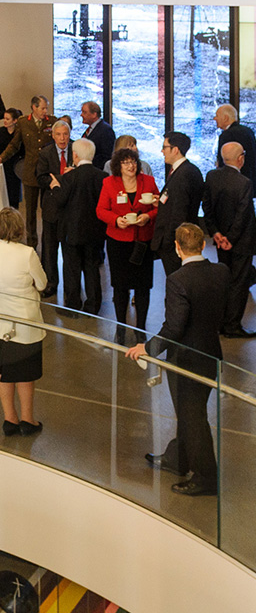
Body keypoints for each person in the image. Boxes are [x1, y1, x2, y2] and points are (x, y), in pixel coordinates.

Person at [126, 223, 228, 497]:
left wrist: (147, 348)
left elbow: (174, 328)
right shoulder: (221, 272)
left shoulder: (178, 280)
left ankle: (207, 477)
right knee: (189, 413)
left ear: (177, 248)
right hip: (211, 355)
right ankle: (178, 458)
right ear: (203, 245)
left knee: (192, 417)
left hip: (186, 362)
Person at [0, 207, 47, 435]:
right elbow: (41, 283)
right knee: (25, 374)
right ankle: (28, 420)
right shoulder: (27, 253)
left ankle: (9, 419)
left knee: (3, 371)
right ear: (20, 228)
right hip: (25, 321)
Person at [96, 147, 159, 344]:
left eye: (133, 162)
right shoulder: (109, 183)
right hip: (118, 242)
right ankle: (121, 326)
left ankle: (141, 328)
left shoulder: (148, 181)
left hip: (142, 241)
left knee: (143, 287)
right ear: (118, 166)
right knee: (120, 286)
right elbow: (100, 210)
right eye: (126, 163)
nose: (130, 166)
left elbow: (159, 206)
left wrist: (148, 216)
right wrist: (116, 220)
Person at [202, 142, 256, 338]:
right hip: (240, 242)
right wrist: (231, 239)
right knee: (239, 283)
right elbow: (243, 216)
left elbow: (207, 207)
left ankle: (221, 322)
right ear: (240, 158)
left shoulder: (212, 176)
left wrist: (216, 233)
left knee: (225, 280)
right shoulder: (245, 183)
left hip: (219, 240)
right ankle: (232, 326)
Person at [50, 138, 107, 313]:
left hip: (72, 232)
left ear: (74, 155)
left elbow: (61, 201)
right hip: (95, 231)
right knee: (91, 267)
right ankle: (93, 305)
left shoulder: (70, 177)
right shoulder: (103, 177)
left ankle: (73, 304)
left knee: (72, 268)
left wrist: (55, 187)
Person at [0, 95, 55, 249]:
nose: (45, 111)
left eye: (46, 108)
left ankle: (48, 244)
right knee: (30, 211)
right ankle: (32, 243)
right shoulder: (23, 122)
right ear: (34, 108)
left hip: (47, 172)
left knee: (47, 209)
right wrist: (2, 157)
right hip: (30, 172)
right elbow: (14, 144)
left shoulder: (52, 121)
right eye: (42, 108)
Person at [152, 131, 204, 277]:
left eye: (165, 147)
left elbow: (180, 211)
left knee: (177, 281)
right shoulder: (183, 170)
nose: (162, 151)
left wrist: (170, 241)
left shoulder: (184, 174)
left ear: (175, 150)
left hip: (177, 241)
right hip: (177, 239)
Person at [35, 119, 73, 297]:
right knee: (49, 249)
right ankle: (50, 283)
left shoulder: (76, 149)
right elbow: (41, 178)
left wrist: (61, 179)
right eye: (58, 134)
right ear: (53, 135)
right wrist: (60, 179)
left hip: (71, 207)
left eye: (65, 134)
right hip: (51, 207)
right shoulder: (46, 152)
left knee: (70, 249)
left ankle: (71, 285)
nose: (62, 138)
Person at [215, 104, 256, 190]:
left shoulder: (226, 135)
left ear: (225, 118)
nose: (214, 118)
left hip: (231, 185)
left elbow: (223, 163)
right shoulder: (248, 131)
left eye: (217, 116)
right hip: (250, 181)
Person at [0, 107, 23, 208]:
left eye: (7, 119)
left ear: (15, 121)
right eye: (4, 118)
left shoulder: (19, 134)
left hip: (15, 166)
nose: (4, 121)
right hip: (2, 165)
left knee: (14, 194)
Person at [79, 101, 115, 170]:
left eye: (84, 112)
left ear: (94, 115)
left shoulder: (105, 130)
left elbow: (107, 156)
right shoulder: (89, 130)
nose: (81, 115)